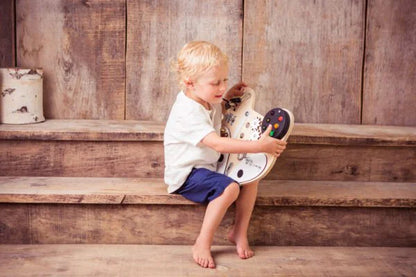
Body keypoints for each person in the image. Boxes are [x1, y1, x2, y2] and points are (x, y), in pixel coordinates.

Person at [164, 41, 287, 269]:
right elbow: (218, 144)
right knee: (229, 188)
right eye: (215, 83)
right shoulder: (187, 111)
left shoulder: (203, 99)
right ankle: (202, 242)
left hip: (209, 165)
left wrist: (226, 97)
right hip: (187, 175)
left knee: (252, 174)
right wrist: (260, 145)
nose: (221, 86)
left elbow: (216, 116)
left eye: (224, 80)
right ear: (190, 83)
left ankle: (238, 231)